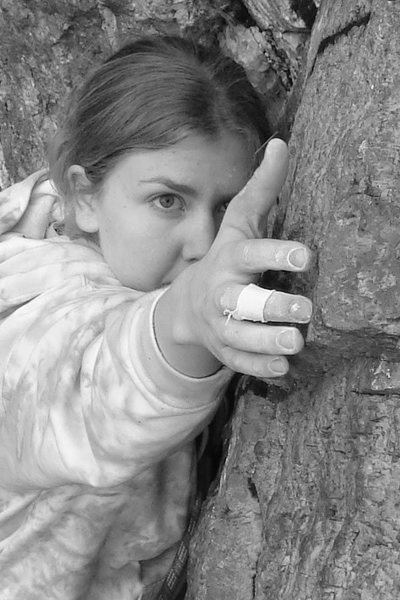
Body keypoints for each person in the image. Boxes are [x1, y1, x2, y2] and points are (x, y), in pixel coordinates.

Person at [0, 35, 312, 599]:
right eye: (167, 200)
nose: (203, 244)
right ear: (86, 196)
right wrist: (187, 318)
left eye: (227, 207)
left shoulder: (47, 224)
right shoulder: (28, 308)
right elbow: (87, 381)